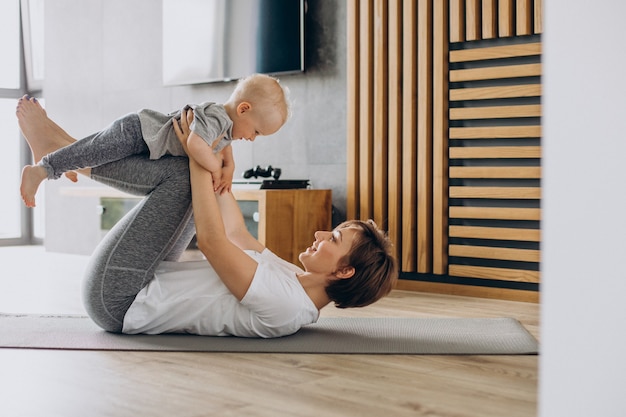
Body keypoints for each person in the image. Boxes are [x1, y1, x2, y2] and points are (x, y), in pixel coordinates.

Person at [16, 97, 398, 338]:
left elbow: (215, 243)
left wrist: (199, 156)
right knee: (189, 171)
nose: (320, 232)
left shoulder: (286, 305)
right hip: (145, 277)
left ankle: (64, 152)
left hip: (118, 300)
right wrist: (220, 170)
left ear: (344, 271)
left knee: (186, 171)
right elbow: (237, 233)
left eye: (333, 239)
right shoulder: (292, 281)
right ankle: (66, 152)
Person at [19, 73, 290, 207]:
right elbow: (196, 144)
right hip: (140, 131)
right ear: (244, 109)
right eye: (256, 131)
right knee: (96, 149)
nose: (253, 139)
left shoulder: (227, 127)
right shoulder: (217, 117)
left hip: (150, 144)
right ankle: (43, 169)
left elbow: (224, 150)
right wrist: (217, 168)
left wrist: (229, 168)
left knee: (96, 155)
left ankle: (63, 159)